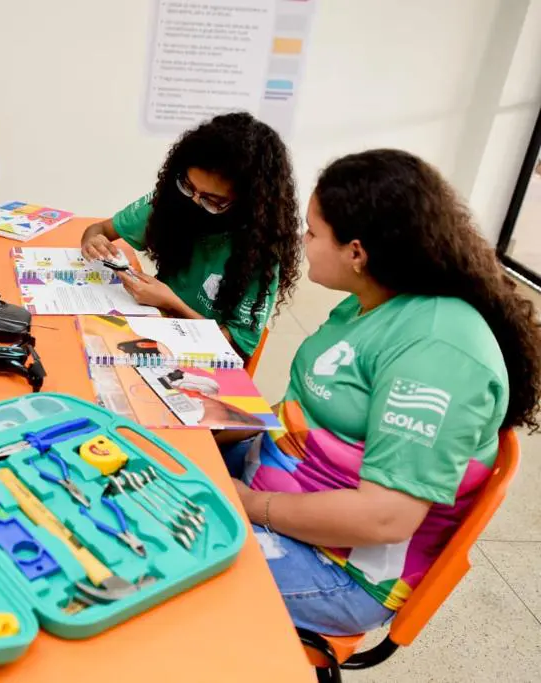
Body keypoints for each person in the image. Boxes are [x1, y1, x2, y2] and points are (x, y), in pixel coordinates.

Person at [222, 149, 541, 636]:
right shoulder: (369, 304)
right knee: (138, 461)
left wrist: (247, 505)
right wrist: (216, 421)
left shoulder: (438, 350)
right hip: (278, 488)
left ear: (356, 252)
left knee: (161, 560)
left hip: (340, 568)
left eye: (311, 231)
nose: (301, 241)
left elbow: (383, 519)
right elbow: (311, 409)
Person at [81, 112, 302, 359]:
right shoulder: (174, 200)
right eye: (188, 186)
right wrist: (93, 241)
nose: (195, 202)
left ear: (249, 203)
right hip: (152, 332)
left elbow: (235, 347)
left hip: (203, 358)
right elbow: (99, 229)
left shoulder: (260, 250)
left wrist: (171, 302)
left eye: (212, 200)